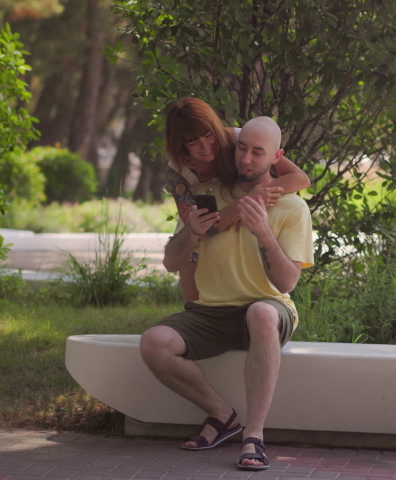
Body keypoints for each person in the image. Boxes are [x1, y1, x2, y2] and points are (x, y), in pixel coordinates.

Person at [141, 117, 314, 471]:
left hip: (268, 307)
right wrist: (191, 232)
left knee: (262, 314)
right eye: (241, 148)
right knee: (154, 342)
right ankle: (222, 416)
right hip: (212, 312)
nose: (246, 159)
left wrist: (264, 233)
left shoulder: (292, 207)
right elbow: (172, 263)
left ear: (276, 156)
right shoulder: (207, 195)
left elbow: (286, 284)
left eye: (257, 152)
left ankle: (254, 435)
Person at [164, 97, 310, 302]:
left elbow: (300, 179)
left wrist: (261, 193)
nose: (205, 147)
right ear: (181, 146)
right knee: (194, 296)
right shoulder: (176, 170)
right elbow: (202, 230)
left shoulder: (237, 139)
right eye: (193, 143)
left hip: (243, 205)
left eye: (208, 136)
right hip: (205, 218)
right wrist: (248, 202)